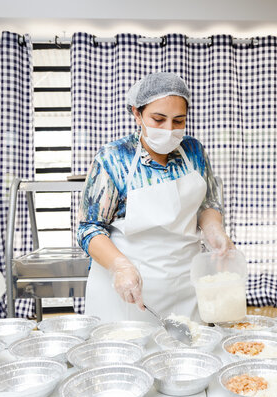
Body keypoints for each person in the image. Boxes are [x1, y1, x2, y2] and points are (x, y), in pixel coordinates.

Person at [77, 72, 234, 323]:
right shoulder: (113, 157)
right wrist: (120, 267)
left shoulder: (194, 151)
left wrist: (214, 228)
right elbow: (89, 229)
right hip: (129, 288)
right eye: (158, 119)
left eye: (178, 121)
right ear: (137, 114)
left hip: (185, 284)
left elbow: (208, 203)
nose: (169, 130)